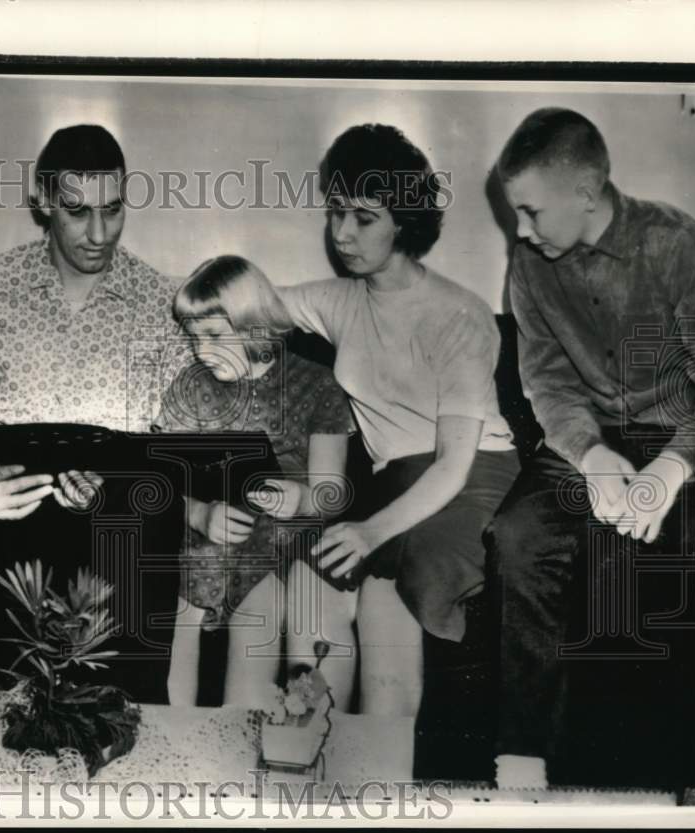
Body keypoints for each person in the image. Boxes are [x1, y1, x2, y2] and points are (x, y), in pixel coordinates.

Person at [0, 124, 190, 701]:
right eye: (76, 212)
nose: (99, 234)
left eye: (113, 209)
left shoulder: (159, 303)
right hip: (12, 512)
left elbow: (173, 454)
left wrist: (120, 483)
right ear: (43, 203)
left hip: (119, 516)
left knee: (141, 525)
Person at [486, 108, 695, 790]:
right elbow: (547, 381)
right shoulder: (530, 264)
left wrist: (669, 469)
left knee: (670, 551)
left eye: (529, 211)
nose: (519, 230)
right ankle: (522, 755)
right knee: (516, 534)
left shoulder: (677, 245)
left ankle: (679, 780)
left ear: (586, 194)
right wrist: (592, 456)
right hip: (584, 436)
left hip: (679, 433)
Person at [277, 124, 521, 723]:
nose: (342, 234)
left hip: (468, 484)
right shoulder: (340, 301)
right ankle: (308, 755)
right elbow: (247, 300)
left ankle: (381, 786)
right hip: (393, 483)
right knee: (310, 589)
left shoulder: (457, 314)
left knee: (389, 612)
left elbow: (454, 463)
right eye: (335, 214)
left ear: (404, 219)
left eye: (363, 217)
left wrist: (369, 532)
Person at [153, 255, 355, 707]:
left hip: (285, 541)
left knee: (262, 612)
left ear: (254, 325)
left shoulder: (317, 385)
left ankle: (243, 726)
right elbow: (161, 481)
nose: (202, 351)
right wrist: (200, 513)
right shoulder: (193, 385)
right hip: (211, 533)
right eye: (194, 338)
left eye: (214, 336)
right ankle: (173, 731)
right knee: (183, 595)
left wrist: (302, 497)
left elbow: (332, 491)